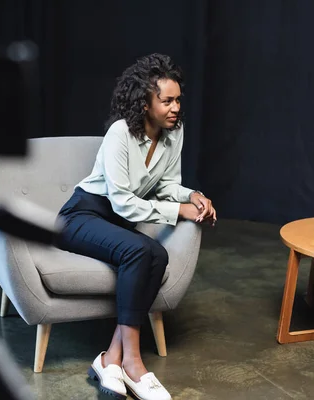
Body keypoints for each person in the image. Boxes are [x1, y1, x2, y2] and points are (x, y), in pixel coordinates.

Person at [53, 53, 216, 400]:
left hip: (115, 220)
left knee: (156, 255)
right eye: (166, 100)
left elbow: (168, 184)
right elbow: (123, 202)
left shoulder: (175, 132)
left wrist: (194, 196)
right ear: (145, 103)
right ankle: (134, 362)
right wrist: (179, 212)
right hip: (82, 216)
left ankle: (111, 357)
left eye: (178, 100)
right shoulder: (120, 134)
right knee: (142, 250)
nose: (175, 107)